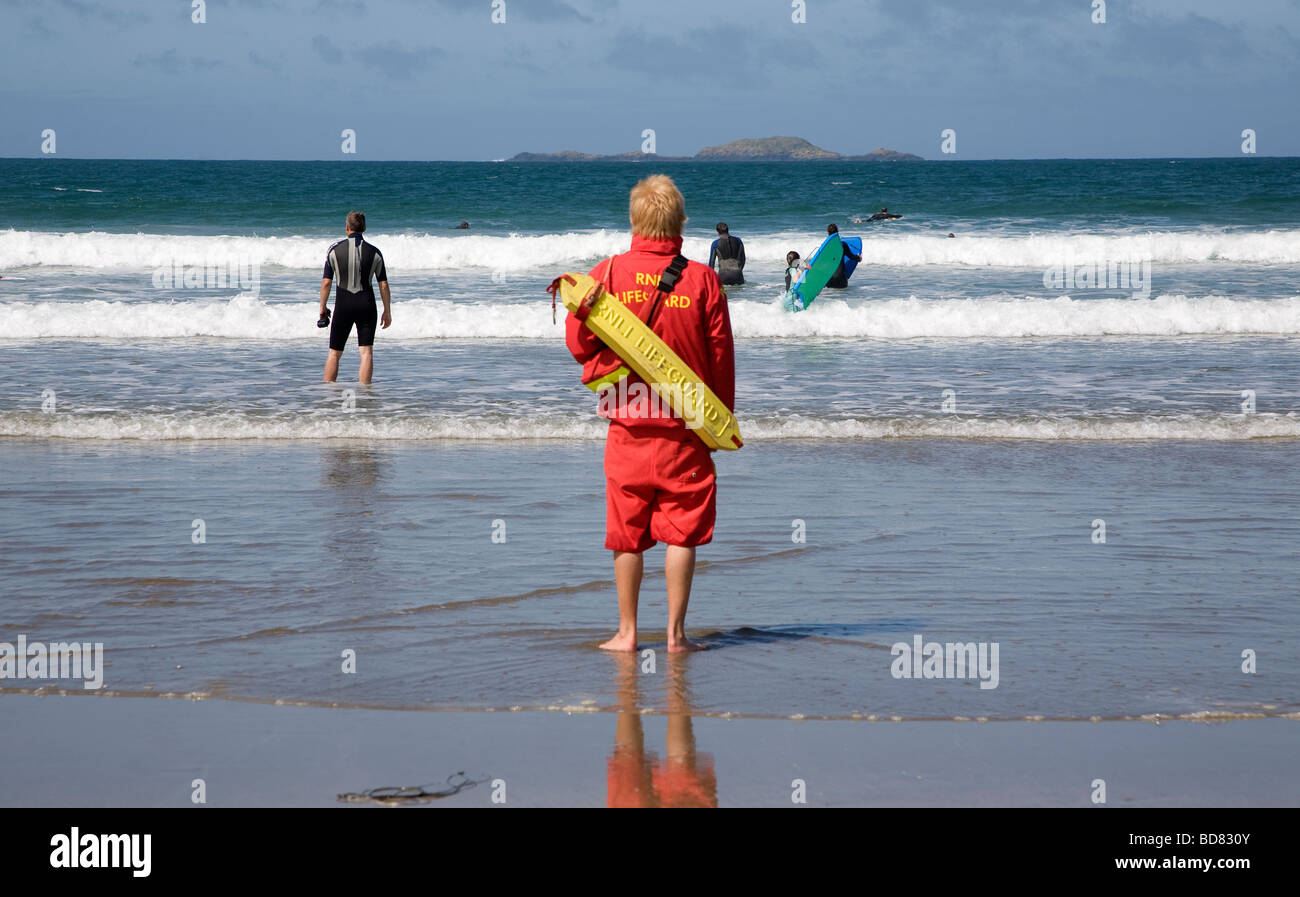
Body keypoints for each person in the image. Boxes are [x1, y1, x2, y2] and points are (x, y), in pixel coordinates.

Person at [565, 174, 736, 653]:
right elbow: (721, 357)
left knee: (627, 533)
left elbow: (579, 345)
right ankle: (676, 636)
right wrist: (718, 422)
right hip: (686, 429)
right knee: (683, 531)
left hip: (627, 425)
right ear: (680, 220)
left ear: (635, 220)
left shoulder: (609, 272)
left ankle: (627, 633)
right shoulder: (702, 280)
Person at [319, 211, 391, 384]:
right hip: (366, 304)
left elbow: (326, 283)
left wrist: (322, 307)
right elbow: (383, 285)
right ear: (364, 228)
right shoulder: (375, 252)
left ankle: (328, 395)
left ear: (347, 227)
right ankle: (366, 396)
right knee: (366, 351)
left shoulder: (334, 250)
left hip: (343, 305)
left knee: (334, 352)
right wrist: (387, 311)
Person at [824, 223, 861, 289]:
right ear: (837, 233)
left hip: (829, 281)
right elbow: (851, 257)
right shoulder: (842, 245)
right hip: (841, 281)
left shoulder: (825, 246)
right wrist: (858, 258)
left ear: (828, 233)